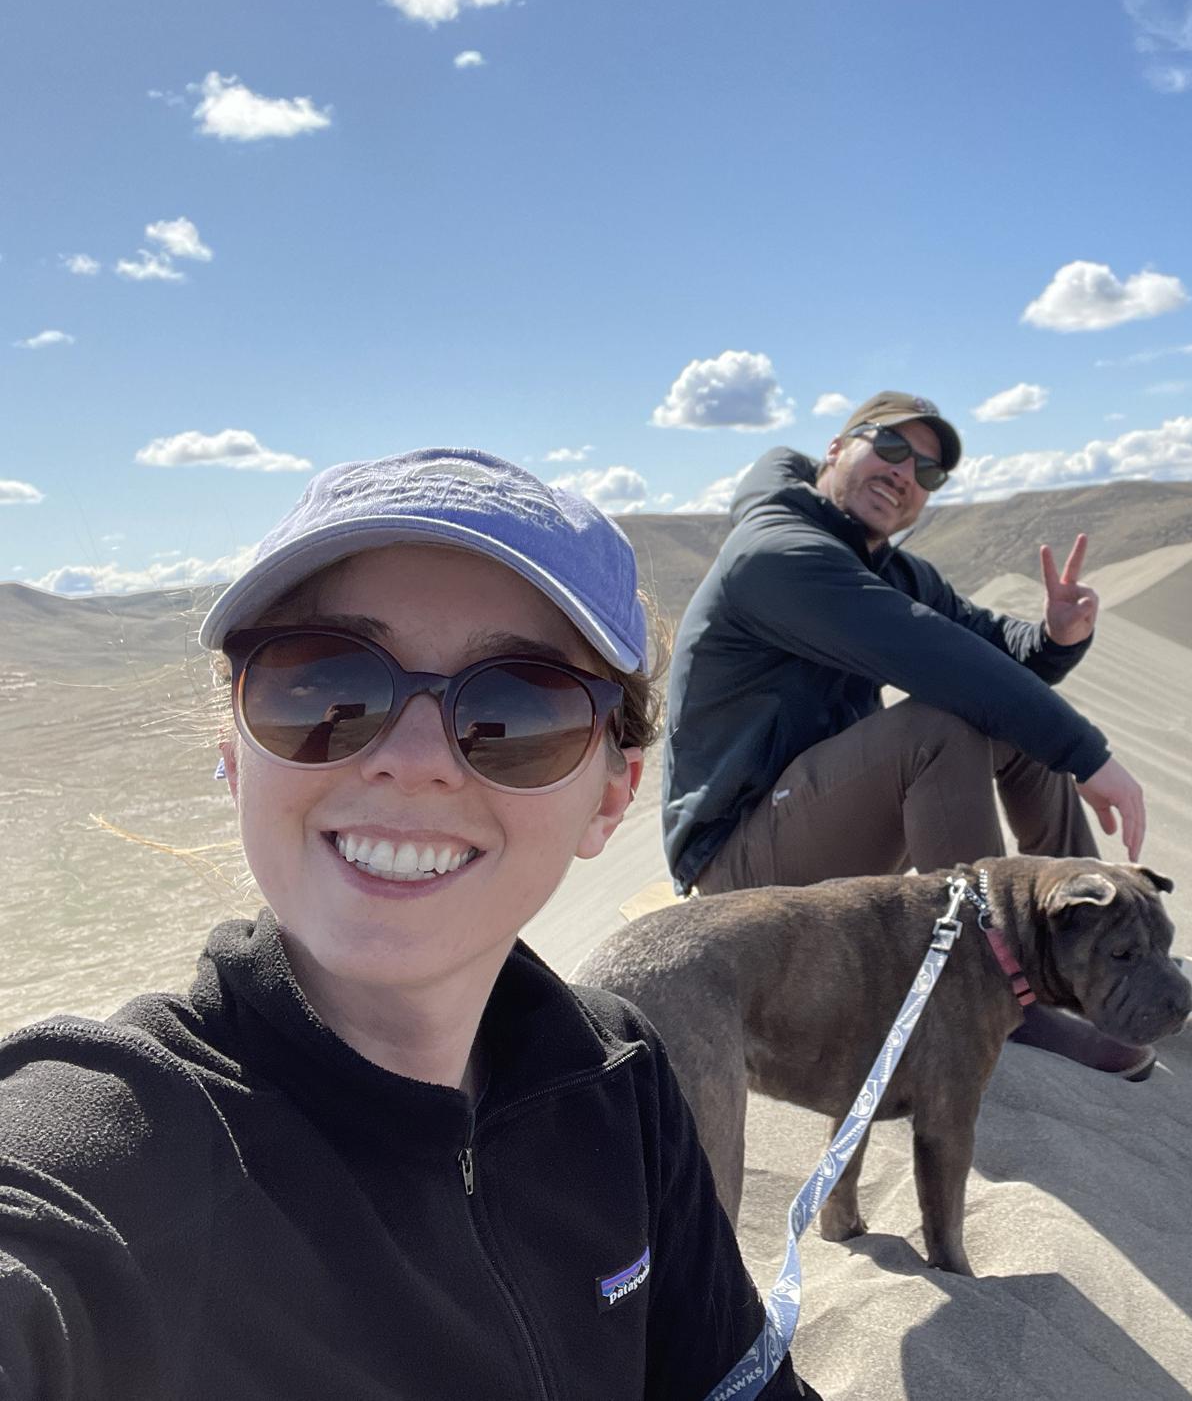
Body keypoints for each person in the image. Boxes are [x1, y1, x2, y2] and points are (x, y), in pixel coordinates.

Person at [0, 449, 817, 1400]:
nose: (413, 759)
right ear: (234, 749)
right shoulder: (112, 1155)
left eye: (517, 708)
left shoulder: (617, 1082)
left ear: (612, 795)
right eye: (321, 687)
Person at [660, 392, 1155, 1075]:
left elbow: (987, 646)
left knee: (1001, 713)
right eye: (890, 448)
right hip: (738, 869)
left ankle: (1091, 934)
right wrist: (1089, 755)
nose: (905, 474)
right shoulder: (778, 555)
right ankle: (997, 993)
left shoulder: (885, 565)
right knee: (938, 725)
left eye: (928, 471)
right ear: (837, 448)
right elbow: (936, 654)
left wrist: (1054, 638)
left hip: (819, 830)